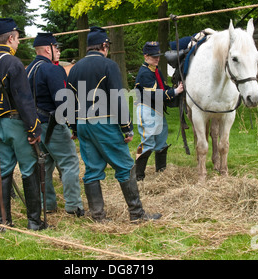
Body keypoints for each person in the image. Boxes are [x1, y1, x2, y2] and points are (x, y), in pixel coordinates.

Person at [67, 26, 161, 222]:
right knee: (126, 166)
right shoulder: (108, 65)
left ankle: (98, 217)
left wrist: (73, 126)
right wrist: (126, 127)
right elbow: (118, 97)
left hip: (83, 124)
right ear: (103, 45)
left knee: (92, 169)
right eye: (107, 45)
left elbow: (70, 99)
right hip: (104, 122)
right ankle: (137, 214)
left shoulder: (74, 68)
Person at [0, 18, 46, 231]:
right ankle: (34, 221)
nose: (17, 43)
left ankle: (4, 222)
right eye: (17, 39)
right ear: (10, 38)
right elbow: (24, 100)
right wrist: (34, 128)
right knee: (29, 169)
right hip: (17, 125)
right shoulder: (14, 63)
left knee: (2, 171)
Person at [26, 32, 84, 217]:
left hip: (35, 126)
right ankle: (74, 206)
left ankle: (48, 204)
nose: (58, 50)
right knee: (69, 163)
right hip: (53, 124)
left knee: (46, 165)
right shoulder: (52, 69)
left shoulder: (28, 70)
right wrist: (73, 124)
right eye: (55, 47)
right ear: (46, 49)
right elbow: (63, 100)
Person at [133, 42, 184, 181]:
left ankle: (161, 174)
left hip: (157, 110)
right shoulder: (144, 73)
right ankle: (138, 177)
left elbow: (163, 87)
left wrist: (175, 90)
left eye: (158, 56)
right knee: (148, 142)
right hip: (147, 110)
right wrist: (175, 92)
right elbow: (154, 94)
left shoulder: (156, 70)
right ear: (146, 56)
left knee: (161, 142)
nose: (157, 59)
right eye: (154, 56)